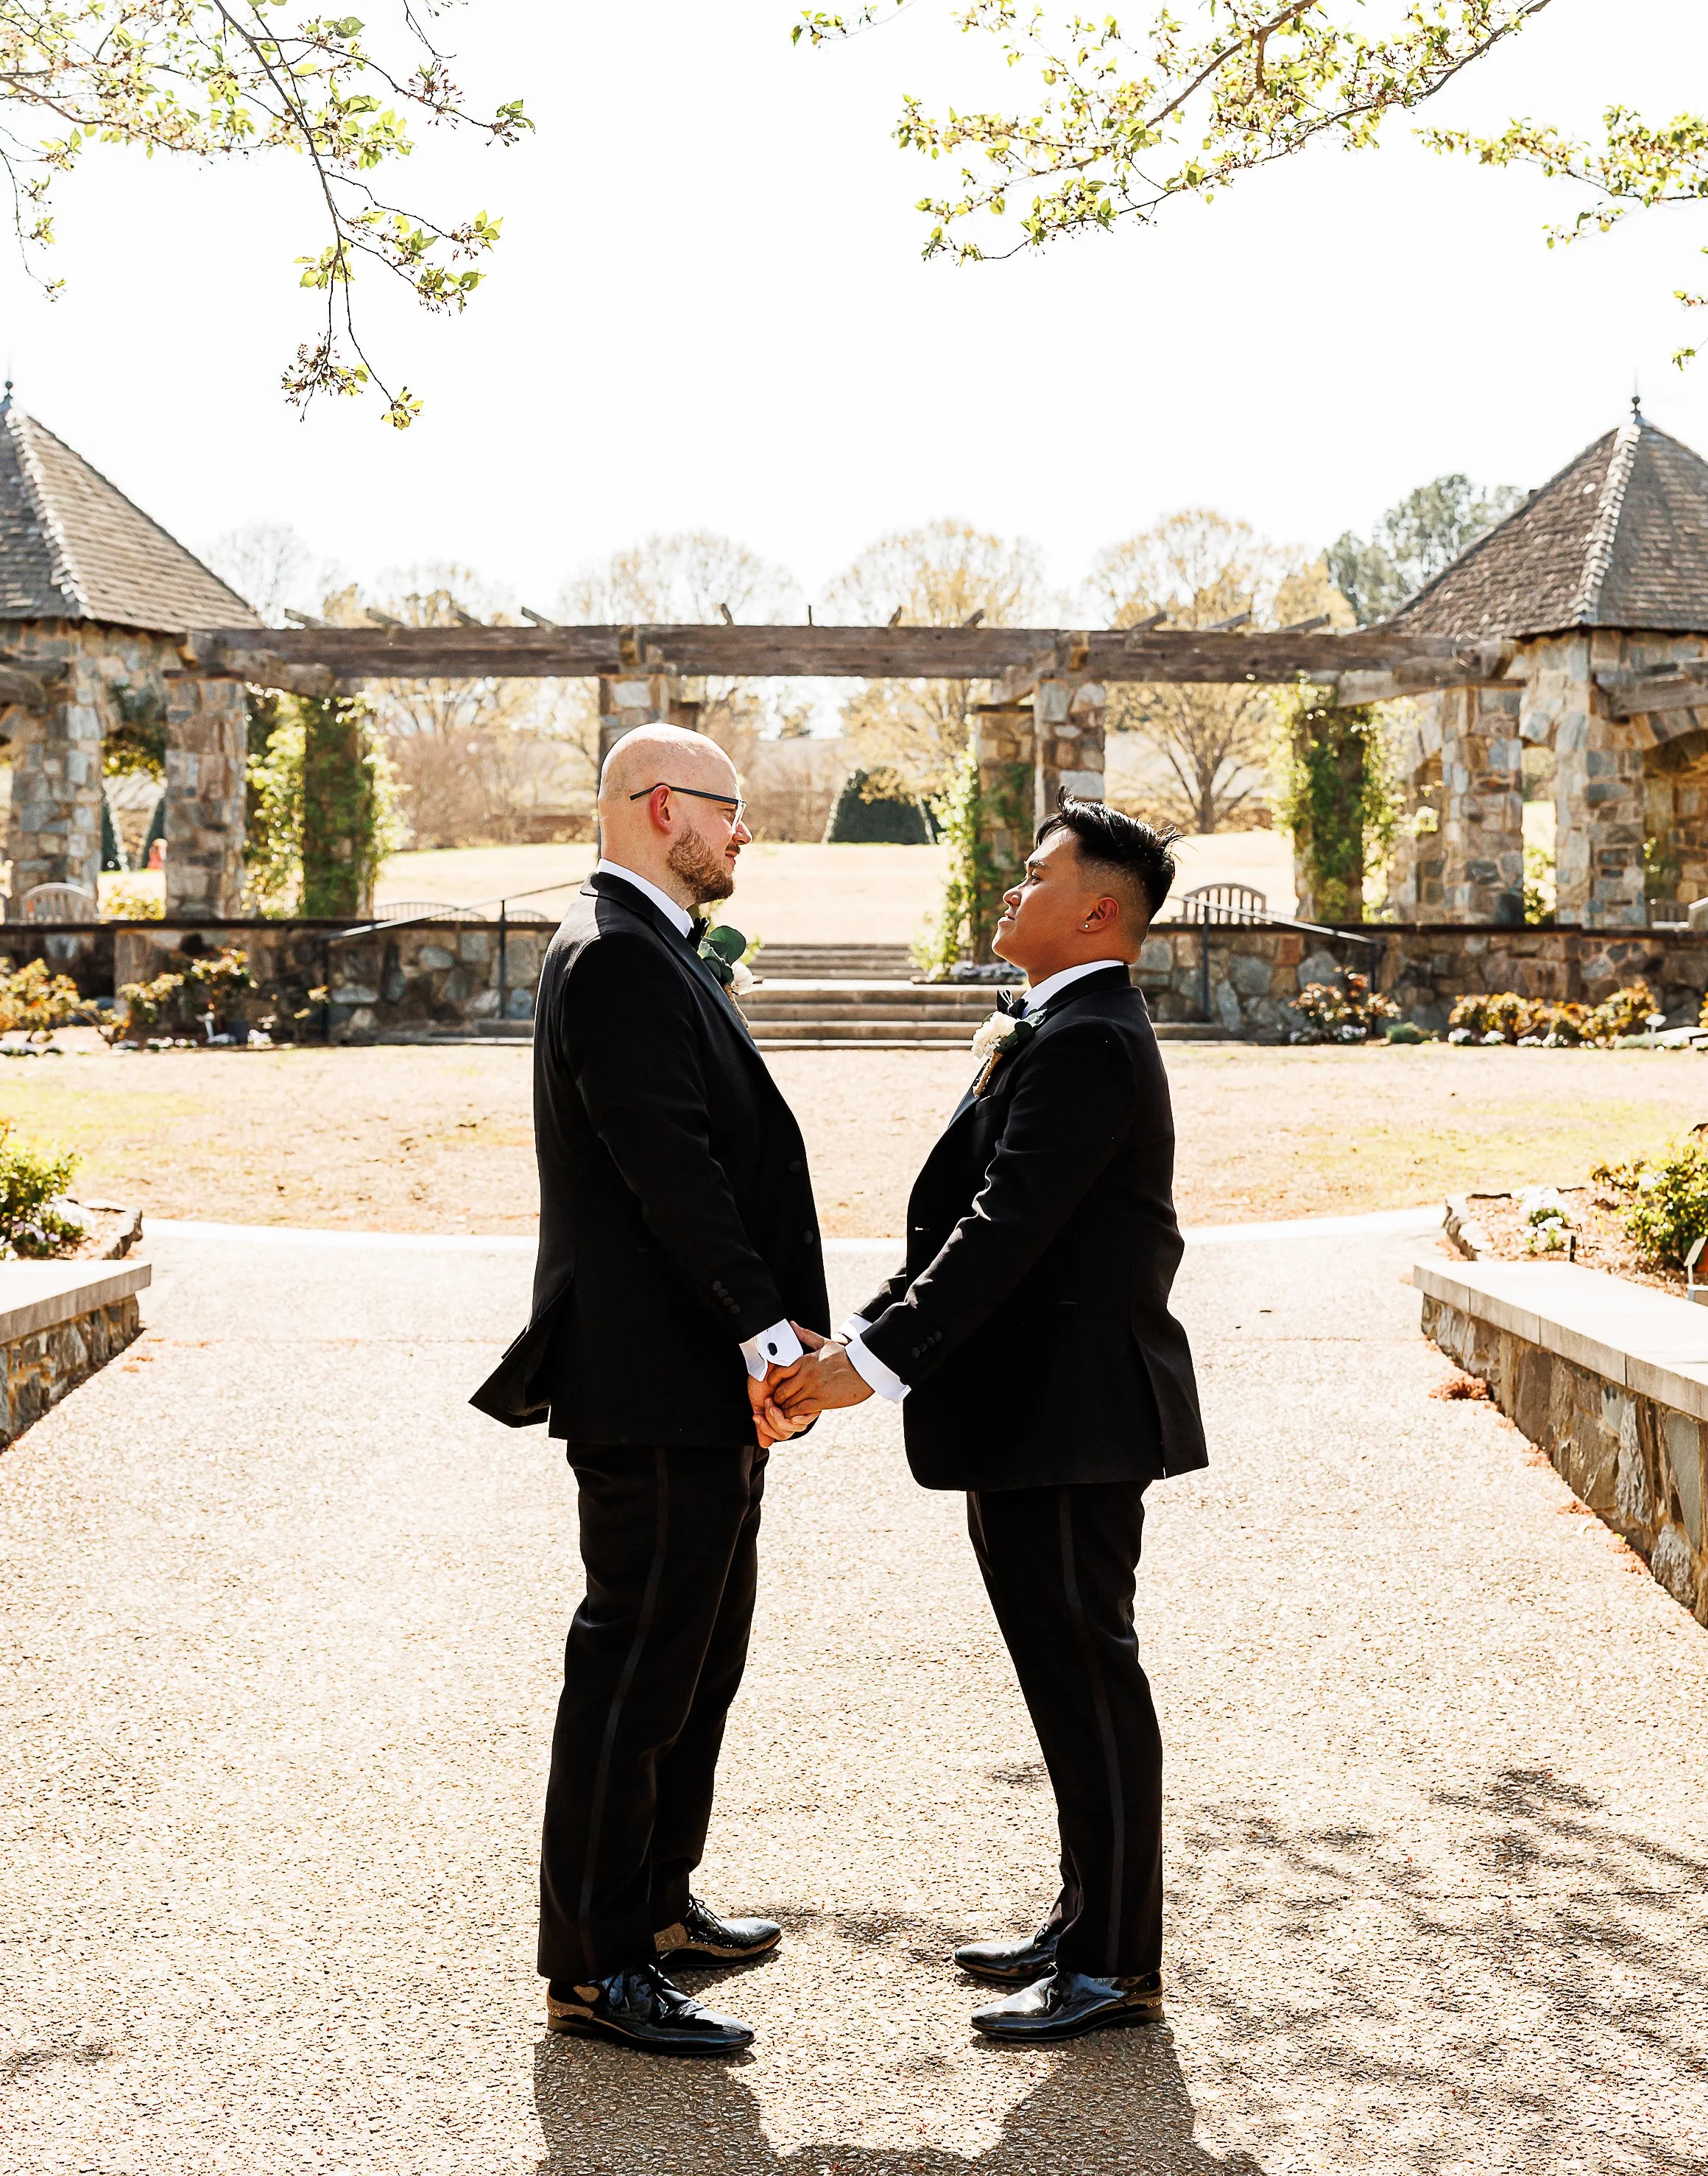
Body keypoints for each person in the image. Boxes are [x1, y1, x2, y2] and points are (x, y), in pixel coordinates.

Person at [764, 799, 1206, 2044]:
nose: (1011, 892)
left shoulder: (1092, 1040)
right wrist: (857, 1337)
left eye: (1035, 876)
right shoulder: (1061, 1025)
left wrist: (877, 1362)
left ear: (1100, 912)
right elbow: (970, 1224)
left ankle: (1118, 1963)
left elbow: (1005, 1229)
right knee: (1062, 1680)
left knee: (1090, 1680)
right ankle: (1086, 1920)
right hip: (1029, 1417)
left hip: (1072, 1419)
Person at [470, 723, 830, 2057]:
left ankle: (660, 1904)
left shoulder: (650, 942)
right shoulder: (618, 952)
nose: (747, 835)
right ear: (661, 805)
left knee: (699, 1659)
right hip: (657, 1377)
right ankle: (595, 1961)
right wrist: (765, 1339)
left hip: (697, 1381)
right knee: (631, 1667)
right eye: (734, 811)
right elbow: (667, 1168)